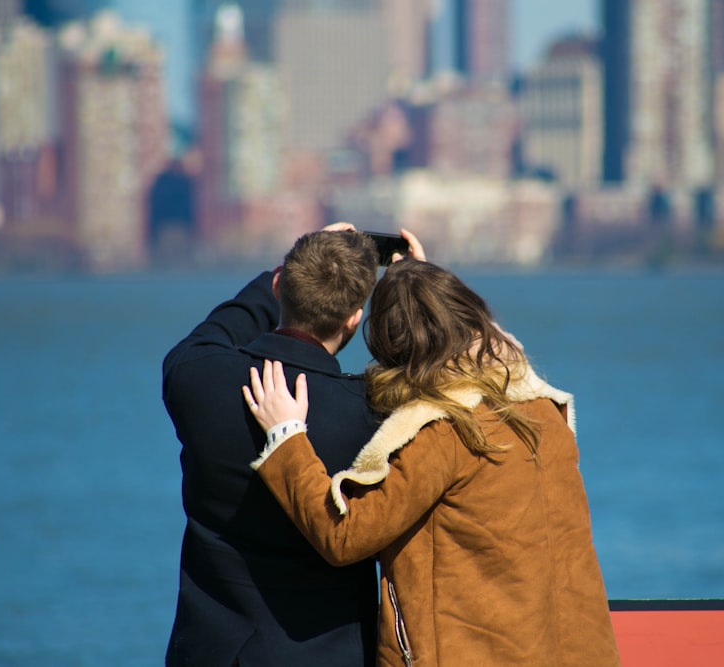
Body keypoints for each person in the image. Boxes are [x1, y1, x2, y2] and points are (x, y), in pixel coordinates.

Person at [244, 259, 621, 666]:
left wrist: (286, 438)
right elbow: (496, 349)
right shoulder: (543, 410)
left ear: (390, 345)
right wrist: (425, 284)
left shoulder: (445, 433)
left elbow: (346, 536)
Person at [163, 225, 395, 666]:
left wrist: (274, 281)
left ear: (280, 288)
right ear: (354, 318)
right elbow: (441, 380)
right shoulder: (369, 417)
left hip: (212, 653)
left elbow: (210, 333)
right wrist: (413, 283)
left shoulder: (197, 378)